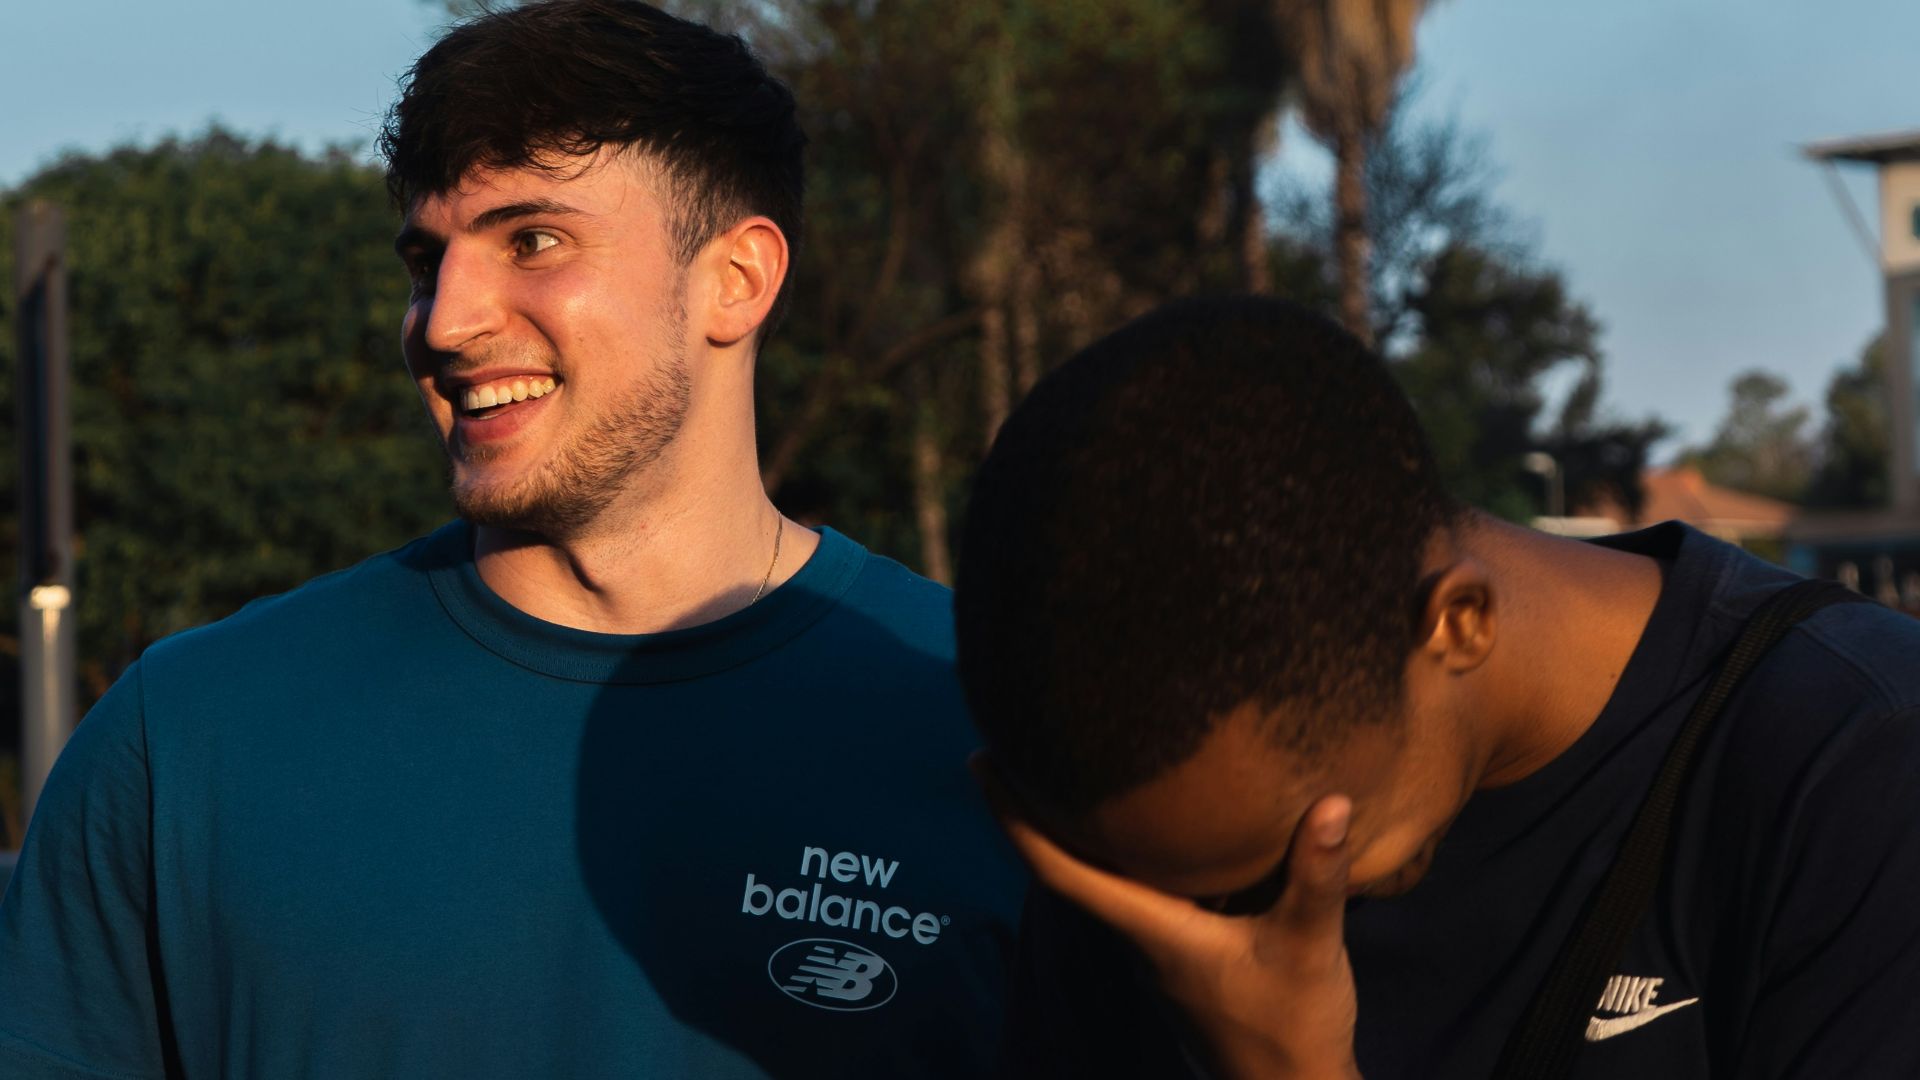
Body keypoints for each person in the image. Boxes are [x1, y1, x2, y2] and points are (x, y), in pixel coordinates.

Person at [0, 3, 1022, 1076]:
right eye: (425, 260)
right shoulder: (187, 742)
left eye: (533, 241)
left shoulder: (997, 722)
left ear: (737, 279)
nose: (443, 323)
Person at [953, 295, 1920, 1079]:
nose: (1229, 929)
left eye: (1289, 854)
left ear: (1458, 622)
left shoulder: (1856, 764)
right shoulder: (1139, 837)